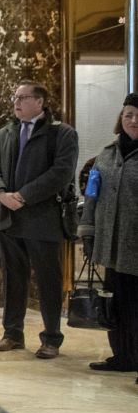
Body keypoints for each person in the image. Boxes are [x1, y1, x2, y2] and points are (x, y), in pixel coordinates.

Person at [0, 81, 77, 360]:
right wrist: (1, 194)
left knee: (48, 279)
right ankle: (12, 333)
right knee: (13, 278)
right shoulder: (5, 133)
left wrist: (23, 196)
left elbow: (61, 173)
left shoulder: (61, 133)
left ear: (40, 102)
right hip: (8, 218)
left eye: (23, 97)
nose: (16, 102)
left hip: (43, 219)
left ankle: (51, 338)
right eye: (15, 97)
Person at [80, 94, 138, 380]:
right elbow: (92, 195)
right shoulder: (106, 154)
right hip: (111, 245)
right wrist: (87, 232)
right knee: (115, 302)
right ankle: (123, 357)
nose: (133, 120)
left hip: (135, 247)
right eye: (128, 114)